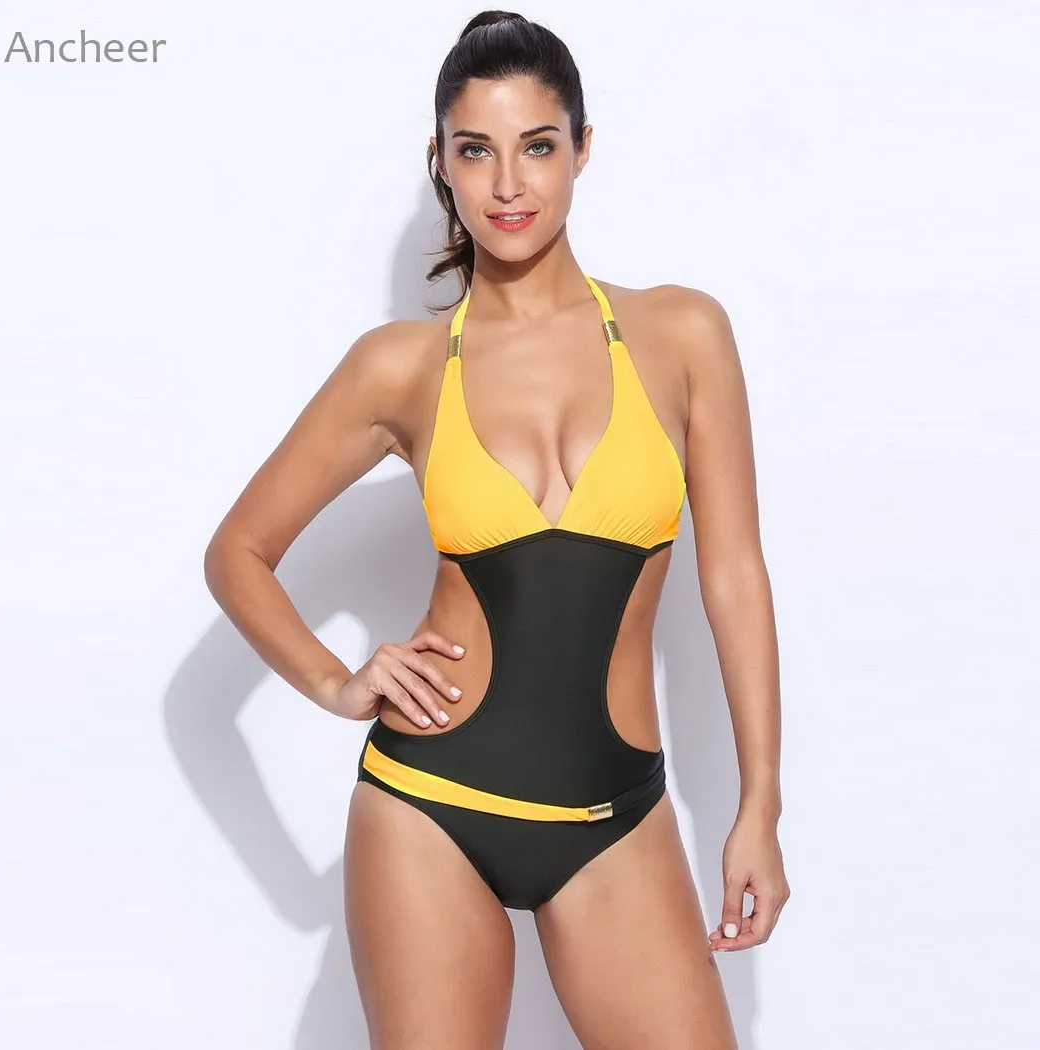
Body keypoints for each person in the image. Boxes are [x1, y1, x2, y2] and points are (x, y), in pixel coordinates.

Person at [204, 10, 789, 1048]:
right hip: (427, 806)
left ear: (583, 149)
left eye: (538, 147)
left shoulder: (682, 333)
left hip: (612, 819)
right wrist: (338, 683)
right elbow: (237, 552)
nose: (509, 185)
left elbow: (735, 578)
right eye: (476, 150)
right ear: (441, 161)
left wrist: (760, 805)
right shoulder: (401, 367)